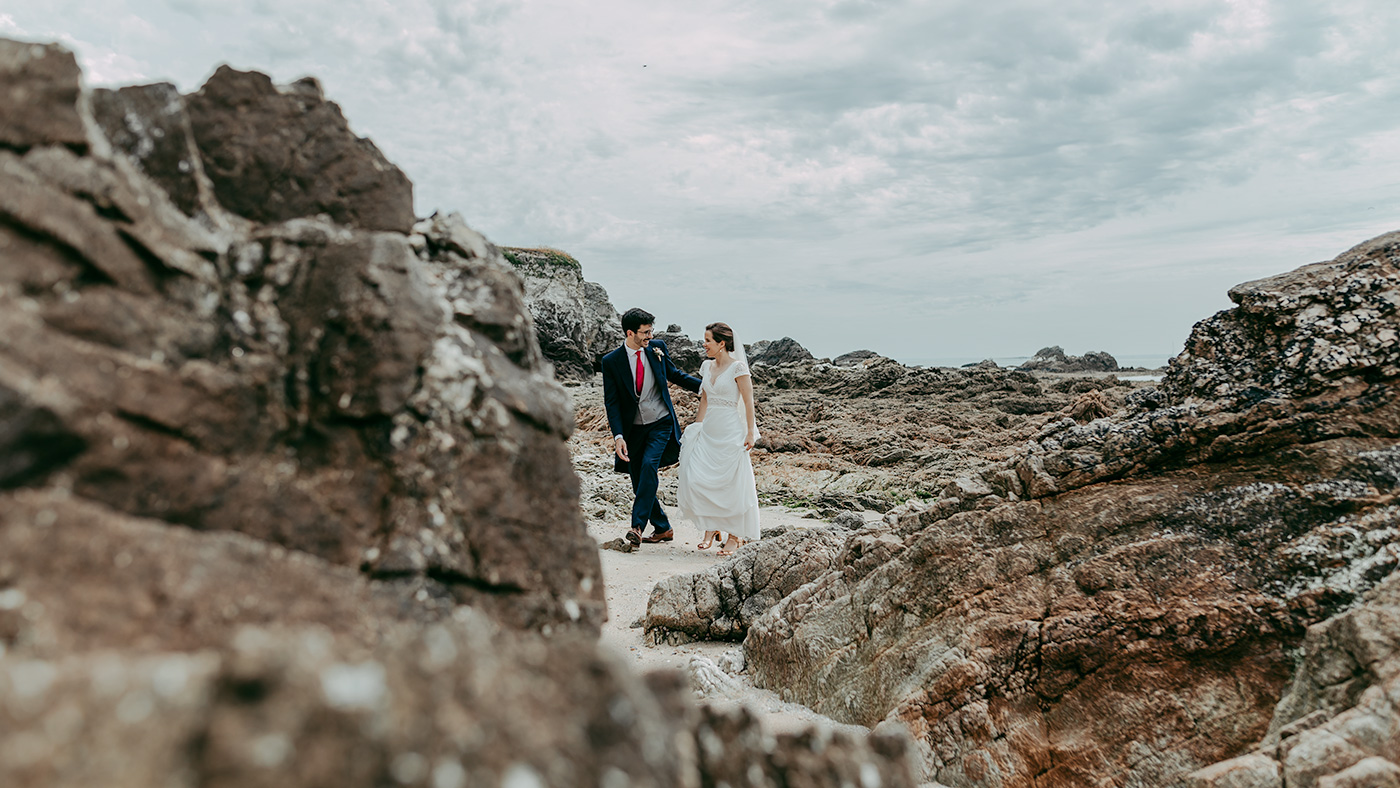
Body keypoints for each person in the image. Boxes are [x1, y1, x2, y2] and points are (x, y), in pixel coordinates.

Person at [602, 308, 702, 548]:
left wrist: (707, 387)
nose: (650, 336)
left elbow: (675, 375)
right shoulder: (611, 361)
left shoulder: (657, 348)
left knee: (649, 466)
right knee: (639, 481)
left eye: (651, 331)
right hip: (633, 430)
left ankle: (637, 527)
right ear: (630, 333)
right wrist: (618, 436)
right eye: (645, 332)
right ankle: (663, 527)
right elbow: (612, 402)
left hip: (661, 423)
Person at [677, 322, 760, 556]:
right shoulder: (706, 366)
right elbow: (704, 399)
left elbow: (748, 402)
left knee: (731, 484)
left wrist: (750, 432)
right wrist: (697, 426)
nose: (703, 344)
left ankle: (734, 536)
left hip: (730, 431)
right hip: (709, 430)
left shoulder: (738, 368)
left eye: (707, 340)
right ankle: (711, 527)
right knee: (698, 479)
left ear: (721, 343)